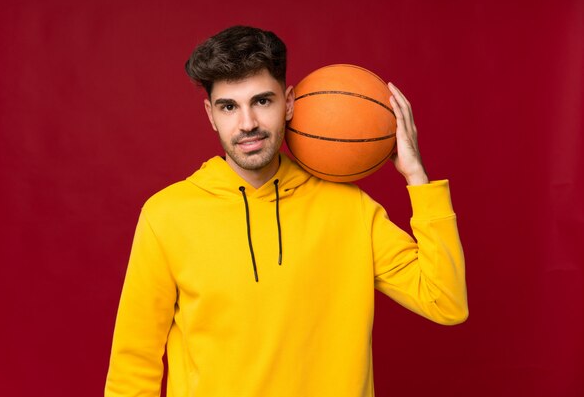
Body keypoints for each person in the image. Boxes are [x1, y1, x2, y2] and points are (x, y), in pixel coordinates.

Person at [105, 25, 468, 397]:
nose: (247, 124)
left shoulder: (348, 207)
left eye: (262, 101)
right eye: (229, 106)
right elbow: (134, 362)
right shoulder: (167, 216)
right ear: (211, 115)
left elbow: (446, 301)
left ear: (289, 101)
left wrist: (417, 177)